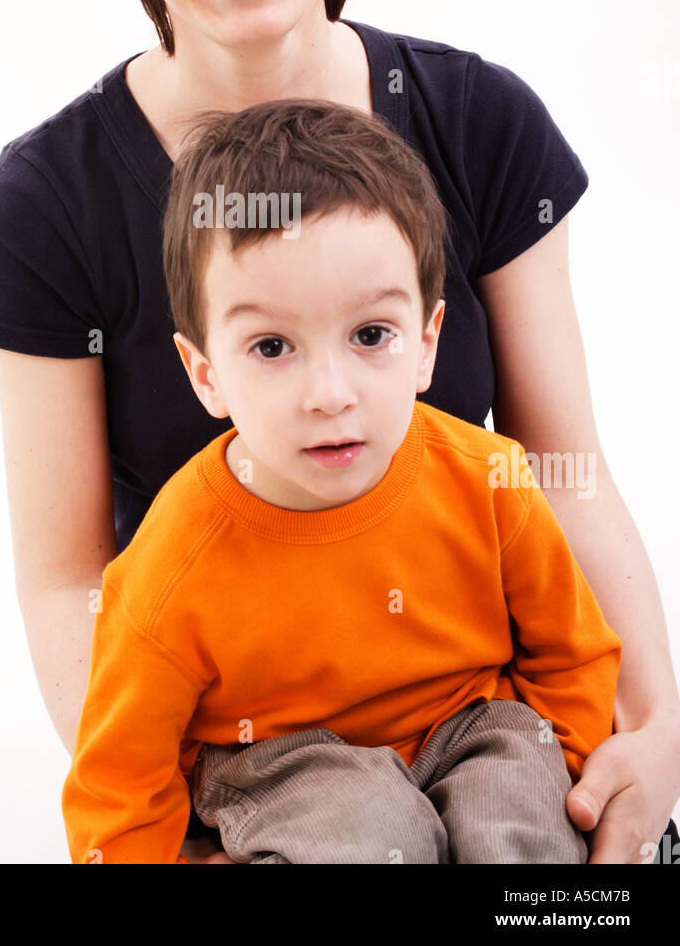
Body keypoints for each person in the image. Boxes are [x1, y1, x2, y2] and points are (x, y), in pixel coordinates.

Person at [0, 0, 680, 863]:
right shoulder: (48, 204)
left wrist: (652, 732)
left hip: (483, 716)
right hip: (252, 760)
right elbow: (67, 579)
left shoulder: (475, 122)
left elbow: (555, 468)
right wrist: (173, 829)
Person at [61, 97, 623, 864]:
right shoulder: (172, 563)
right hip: (279, 761)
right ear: (205, 374)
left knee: (521, 823)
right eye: (271, 347)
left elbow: (571, 652)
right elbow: (120, 779)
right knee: (366, 836)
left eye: (370, 336)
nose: (329, 392)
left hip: (473, 724)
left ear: (426, 344)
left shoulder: (489, 480)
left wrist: (578, 786)